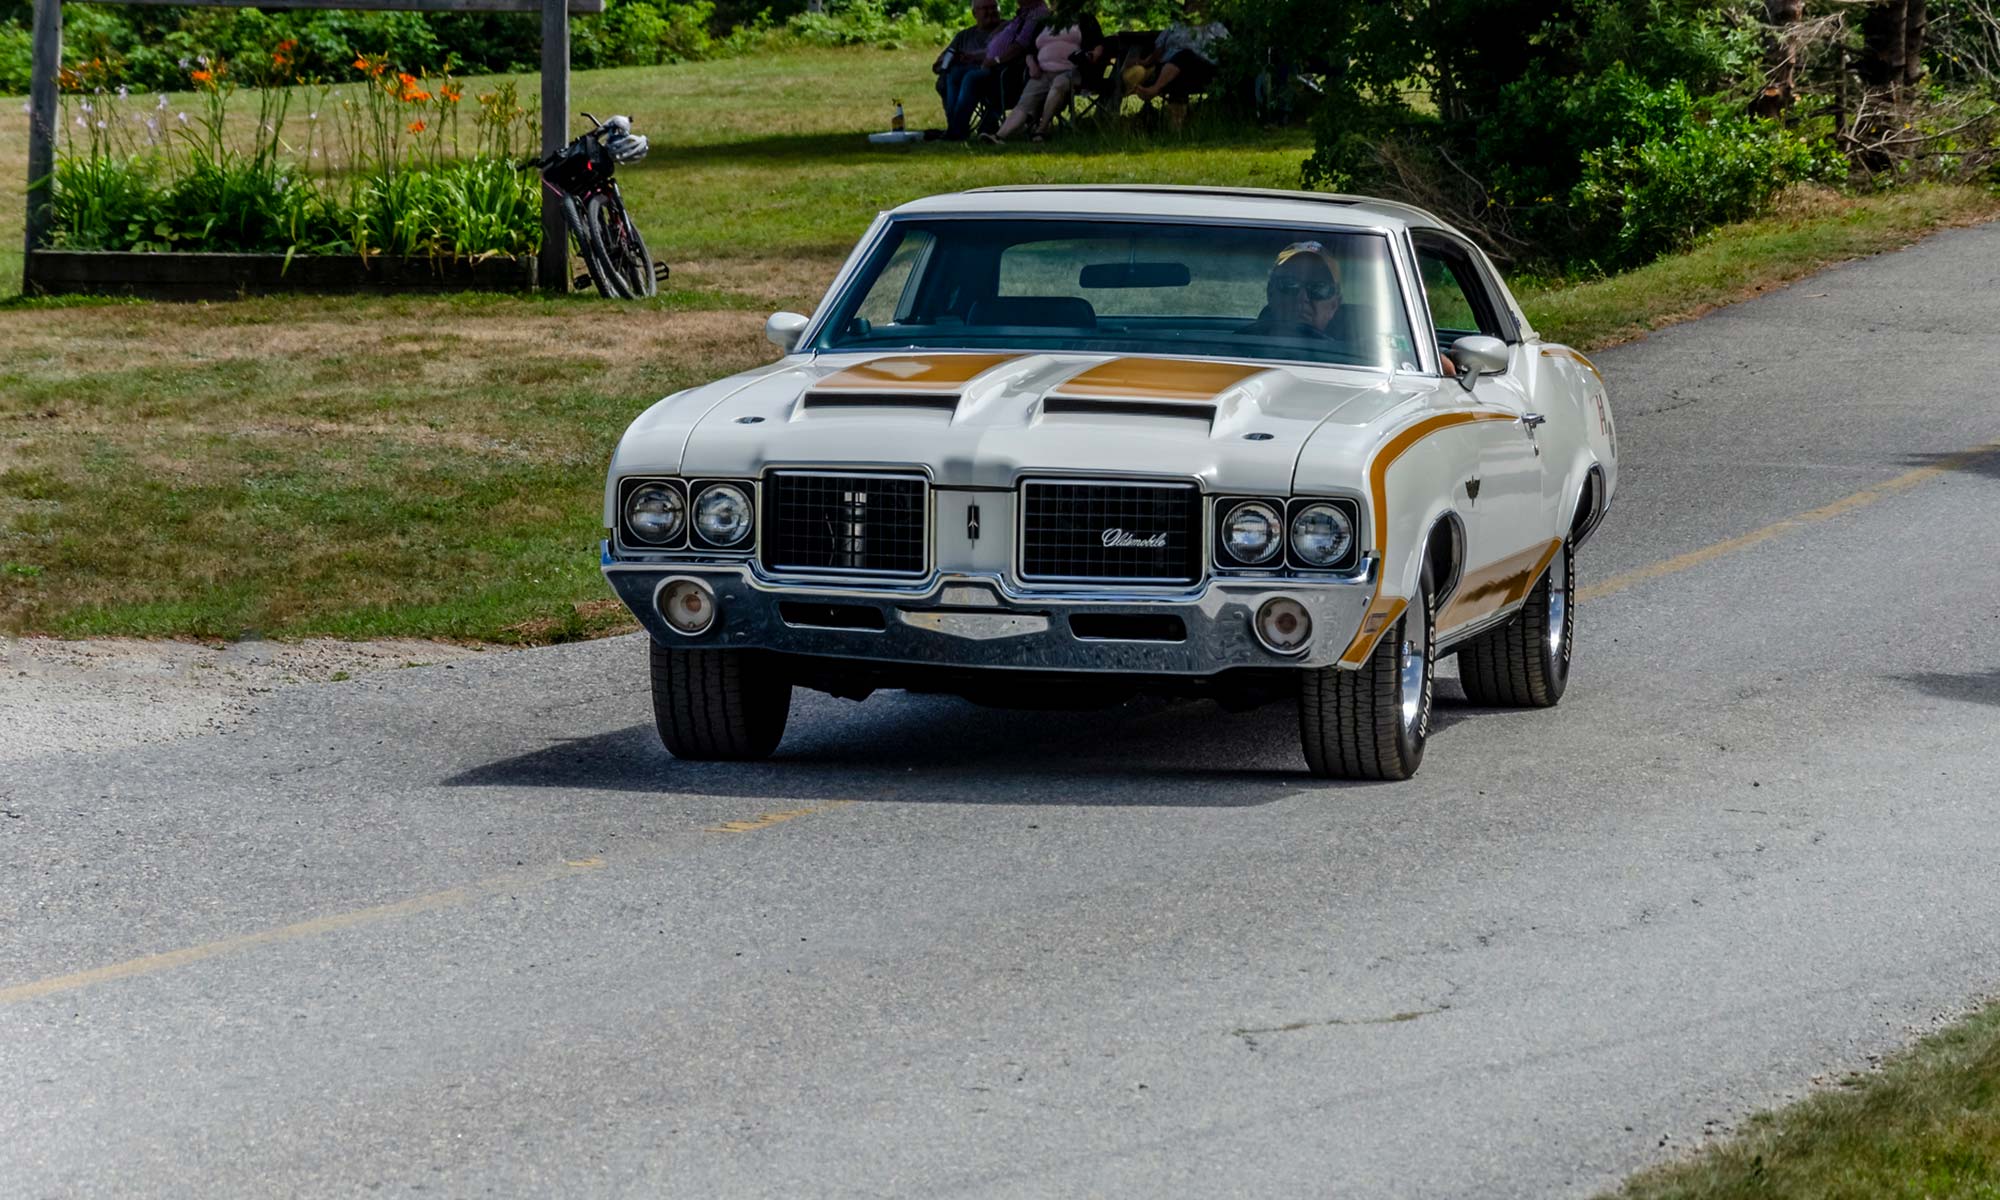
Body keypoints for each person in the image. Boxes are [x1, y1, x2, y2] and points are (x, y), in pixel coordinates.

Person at [986, 18, 1099, 143]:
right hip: (1043, 73)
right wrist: (1032, 65)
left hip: (1073, 72)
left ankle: (1041, 130)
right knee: (1025, 103)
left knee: (1059, 84)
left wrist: (1089, 56)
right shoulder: (1043, 22)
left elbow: (1098, 46)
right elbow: (1030, 50)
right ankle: (999, 136)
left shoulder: (1084, 19)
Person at [1128, 7, 1228, 114]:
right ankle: (1176, 128)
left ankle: (1155, 89)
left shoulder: (1215, 26)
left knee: (1185, 55)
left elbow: (1227, 49)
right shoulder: (1174, 26)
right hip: (1170, 71)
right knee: (1178, 76)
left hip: (1202, 70)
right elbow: (1158, 51)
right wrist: (1145, 62)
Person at [1238, 241, 1343, 339]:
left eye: (1318, 288)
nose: (1302, 297)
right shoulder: (1240, 347)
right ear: (1270, 293)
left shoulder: (1350, 357)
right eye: (1290, 284)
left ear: (1334, 305)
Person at [934, 0, 1005, 141]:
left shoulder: (1006, 28)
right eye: (985, 8)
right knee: (951, 75)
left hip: (995, 77)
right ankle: (955, 128)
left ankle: (956, 130)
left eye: (994, 8)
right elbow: (942, 60)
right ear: (974, 13)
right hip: (961, 77)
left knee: (969, 76)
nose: (991, 12)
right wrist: (949, 62)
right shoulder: (964, 36)